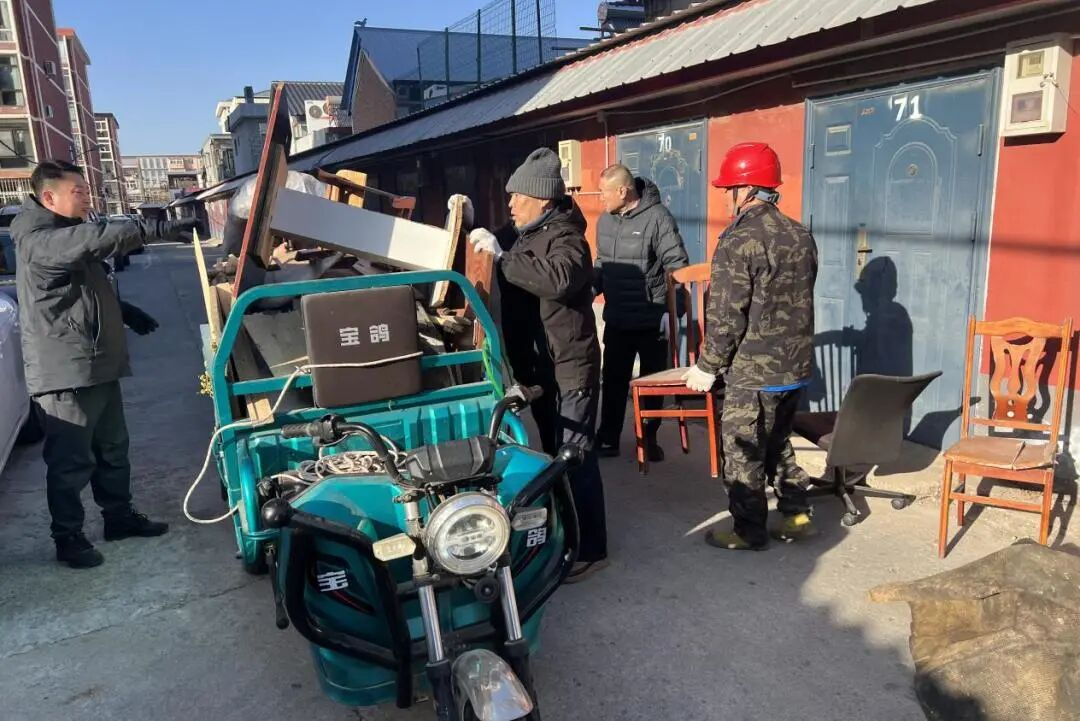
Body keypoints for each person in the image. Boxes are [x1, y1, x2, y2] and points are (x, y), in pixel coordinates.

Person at [13, 160, 197, 568]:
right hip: (66, 368)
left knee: (113, 448)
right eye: (77, 191)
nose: (86, 198)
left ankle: (118, 517)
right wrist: (151, 229)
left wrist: (124, 311)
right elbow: (90, 241)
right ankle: (68, 537)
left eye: (85, 190)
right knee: (71, 460)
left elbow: (83, 290)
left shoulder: (63, 231)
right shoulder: (37, 237)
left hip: (97, 362)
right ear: (49, 197)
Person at [468, 147, 608, 582]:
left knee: (574, 457)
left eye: (518, 197)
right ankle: (566, 531)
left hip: (570, 367)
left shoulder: (568, 238)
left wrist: (503, 257)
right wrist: (467, 223)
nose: (510, 204)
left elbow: (558, 279)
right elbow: (493, 244)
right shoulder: (524, 233)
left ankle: (591, 549)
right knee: (552, 453)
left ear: (543, 201)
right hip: (543, 368)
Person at [681, 143, 818, 551]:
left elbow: (727, 314)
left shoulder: (738, 240)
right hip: (793, 368)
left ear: (746, 190)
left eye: (730, 189)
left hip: (753, 372)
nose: (727, 197)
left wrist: (707, 366)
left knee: (743, 451)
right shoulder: (801, 234)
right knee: (779, 442)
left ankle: (748, 530)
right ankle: (796, 515)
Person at [593, 164, 689, 460]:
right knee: (612, 381)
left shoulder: (658, 218)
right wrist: (590, 288)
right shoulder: (604, 221)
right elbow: (602, 262)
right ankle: (608, 438)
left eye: (604, 192)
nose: (600, 198)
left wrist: (674, 310)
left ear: (623, 191)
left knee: (651, 384)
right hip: (618, 317)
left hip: (651, 318)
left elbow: (677, 265)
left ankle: (648, 439)